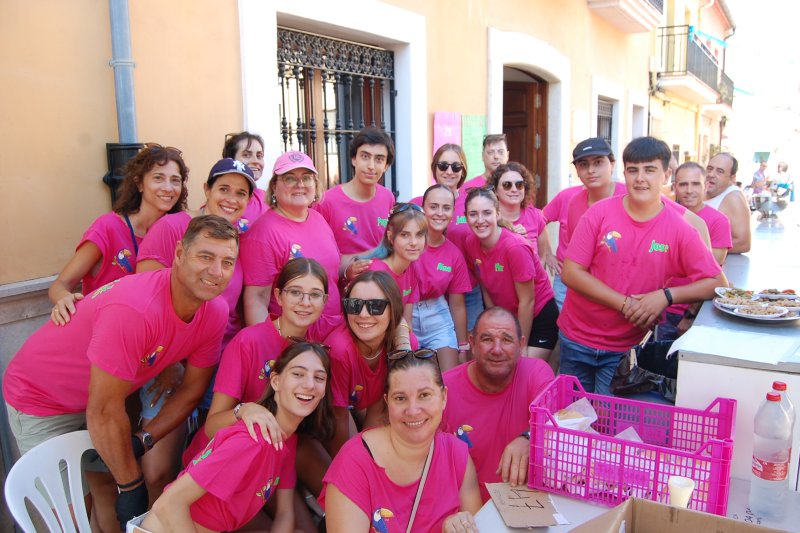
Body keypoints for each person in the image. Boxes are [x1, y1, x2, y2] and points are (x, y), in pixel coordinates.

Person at [3, 215, 238, 531]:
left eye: (227, 262)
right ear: (180, 254)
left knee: (105, 488)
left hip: (98, 400)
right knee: (69, 517)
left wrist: (144, 440)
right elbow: (103, 412)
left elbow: (192, 390)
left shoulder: (216, 311)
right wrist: (132, 485)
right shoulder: (135, 309)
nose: (217, 271)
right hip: (41, 399)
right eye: (206, 257)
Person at [558, 137, 727, 395]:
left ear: (666, 175)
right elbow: (571, 272)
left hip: (624, 349)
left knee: (608, 417)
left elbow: (717, 283)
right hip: (576, 337)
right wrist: (625, 304)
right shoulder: (599, 213)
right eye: (633, 170)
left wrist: (666, 296)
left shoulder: (680, 228)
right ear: (624, 173)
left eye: (649, 170)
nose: (640, 178)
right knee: (570, 414)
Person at [134, 158, 256, 503]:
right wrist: (168, 362)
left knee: (201, 467)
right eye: (224, 189)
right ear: (206, 189)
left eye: (241, 193)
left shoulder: (237, 240)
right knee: (157, 471)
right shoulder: (174, 227)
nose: (231, 198)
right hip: (169, 365)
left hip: (216, 367)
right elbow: (145, 296)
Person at [139, 342, 334, 533]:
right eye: (298, 374)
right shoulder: (253, 440)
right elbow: (168, 504)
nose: (309, 385)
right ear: (276, 381)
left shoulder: (285, 439)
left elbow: (285, 514)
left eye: (319, 378)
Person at [322, 349, 482, 533]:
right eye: (400, 398)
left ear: (444, 397)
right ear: (387, 402)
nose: (413, 410)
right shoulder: (354, 463)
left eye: (424, 395)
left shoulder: (457, 456)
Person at [48, 144, 188, 326]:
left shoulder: (180, 231)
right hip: (102, 327)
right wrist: (64, 298)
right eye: (158, 178)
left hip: (153, 330)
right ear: (139, 183)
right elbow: (60, 284)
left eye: (175, 180)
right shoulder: (107, 227)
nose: (168, 188)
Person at [441, 307, 555, 502]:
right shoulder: (444, 390)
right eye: (487, 339)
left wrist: (529, 437)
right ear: (472, 343)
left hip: (527, 504)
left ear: (521, 345)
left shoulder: (536, 373)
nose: (496, 349)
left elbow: (558, 418)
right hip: (466, 509)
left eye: (507, 340)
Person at [241, 151, 342, 328]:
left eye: (307, 178)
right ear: (274, 186)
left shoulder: (318, 218)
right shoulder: (263, 234)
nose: (300, 185)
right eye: (290, 178)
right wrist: (269, 342)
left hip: (333, 330)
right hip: (294, 339)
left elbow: (332, 270)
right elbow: (257, 299)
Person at [463, 188, 558, 360]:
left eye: (487, 213)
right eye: (473, 214)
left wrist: (519, 345)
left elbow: (527, 301)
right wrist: (496, 321)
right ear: (466, 217)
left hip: (538, 315)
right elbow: (485, 285)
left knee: (522, 366)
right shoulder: (470, 243)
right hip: (508, 317)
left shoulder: (515, 248)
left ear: (498, 214)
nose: (480, 220)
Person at [325, 271, 411, 456]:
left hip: (365, 402)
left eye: (375, 306)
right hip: (322, 418)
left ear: (393, 309)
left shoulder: (402, 344)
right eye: (354, 305)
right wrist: (347, 464)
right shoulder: (340, 350)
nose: (363, 315)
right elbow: (337, 417)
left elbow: (381, 407)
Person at [661, 162, 732, 340]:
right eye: (683, 184)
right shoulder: (662, 215)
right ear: (674, 186)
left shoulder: (718, 221)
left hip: (689, 314)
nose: (689, 190)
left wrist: (690, 315)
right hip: (658, 308)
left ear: (705, 185)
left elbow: (711, 275)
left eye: (695, 184)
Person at [315, 127, 396, 280]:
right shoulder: (326, 202)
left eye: (379, 159)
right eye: (365, 156)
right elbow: (318, 255)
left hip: (382, 283)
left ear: (386, 165)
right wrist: (346, 272)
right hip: (342, 287)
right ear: (354, 159)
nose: (371, 166)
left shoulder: (387, 197)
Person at [416, 185, 472, 370]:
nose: (440, 213)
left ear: (453, 212)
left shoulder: (454, 254)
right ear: (423, 208)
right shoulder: (408, 242)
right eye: (433, 207)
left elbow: (457, 305)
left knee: (451, 376)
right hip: (405, 313)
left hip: (437, 314)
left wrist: (462, 346)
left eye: (446, 208)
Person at [362, 202, 427, 320]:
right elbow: (368, 322)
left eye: (419, 235)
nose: (414, 242)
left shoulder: (411, 267)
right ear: (390, 237)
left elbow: (406, 322)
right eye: (405, 235)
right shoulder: (376, 272)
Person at [564, 138, 626, 246]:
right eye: (584, 164)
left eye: (598, 162)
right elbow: (576, 247)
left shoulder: (629, 196)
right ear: (577, 171)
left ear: (612, 164)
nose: (590, 170)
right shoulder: (575, 203)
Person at [487, 161, 554, 257]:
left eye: (519, 185)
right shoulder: (488, 218)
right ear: (495, 190)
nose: (514, 189)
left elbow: (541, 259)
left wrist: (525, 243)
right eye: (507, 185)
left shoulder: (536, 216)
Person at [540, 184, 583, 310]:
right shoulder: (566, 196)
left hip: (602, 279)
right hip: (565, 275)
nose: (591, 171)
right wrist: (547, 253)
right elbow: (539, 221)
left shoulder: (621, 193)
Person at [705, 152, 752, 253]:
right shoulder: (697, 190)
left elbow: (743, 243)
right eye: (709, 168)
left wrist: (697, 249)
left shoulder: (734, 197)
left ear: (732, 179)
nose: (711, 174)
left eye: (720, 171)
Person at [222, 131, 269, 229]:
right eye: (246, 155)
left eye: (259, 156)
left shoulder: (266, 197)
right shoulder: (219, 201)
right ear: (230, 159)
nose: (255, 161)